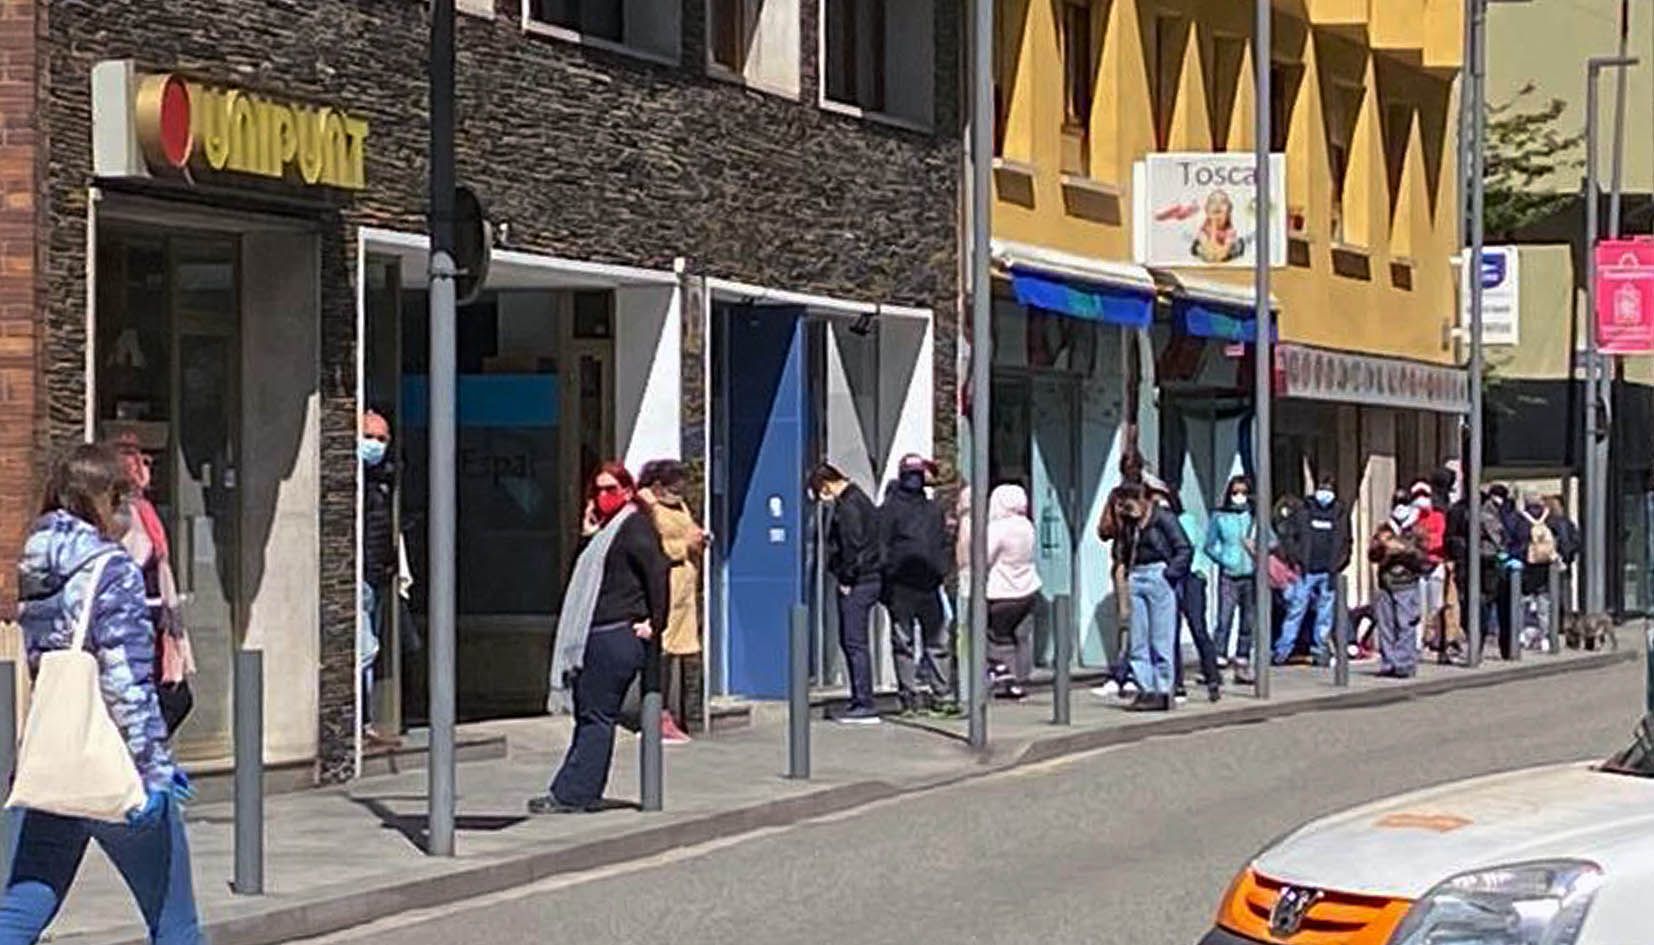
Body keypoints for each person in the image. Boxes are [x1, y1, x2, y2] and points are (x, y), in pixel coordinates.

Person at [1, 443, 200, 945]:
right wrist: (153, 769)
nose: (128, 513)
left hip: (61, 759)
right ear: (105, 499)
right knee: (175, 922)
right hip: (116, 764)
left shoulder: (37, 564)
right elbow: (126, 680)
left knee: (23, 905)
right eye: (123, 500)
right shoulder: (111, 570)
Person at [532, 462, 669, 814]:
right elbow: (586, 579)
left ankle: (574, 793)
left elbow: (658, 571)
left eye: (611, 489)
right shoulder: (607, 533)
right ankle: (576, 789)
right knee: (590, 715)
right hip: (598, 636)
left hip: (613, 637)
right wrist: (588, 535)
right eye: (597, 490)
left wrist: (656, 622)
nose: (602, 496)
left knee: (596, 716)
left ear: (627, 491)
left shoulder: (634, 527)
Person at [113, 436, 194, 735]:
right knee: (159, 701)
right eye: (141, 461)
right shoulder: (123, 513)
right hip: (137, 621)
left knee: (172, 698)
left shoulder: (141, 509)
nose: (148, 468)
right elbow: (135, 558)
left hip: (155, 620)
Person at [879, 454, 956, 716]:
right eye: (909, 473)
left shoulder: (932, 509)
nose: (914, 478)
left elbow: (945, 543)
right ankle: (908, 696)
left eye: (918, 473)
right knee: (905, 642)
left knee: (938, 642)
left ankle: (941, 694)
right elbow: (882, 547)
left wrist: (941, 570)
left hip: (929, 585)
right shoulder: (890, 509)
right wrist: (888, 578)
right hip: (902, 587)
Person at [1108, 481, 1191, 711]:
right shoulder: (1128, 522)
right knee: (1138, 637)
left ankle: (1164, 690)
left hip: (1158, 575)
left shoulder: (1163, 518)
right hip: (1136, 575)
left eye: (1132, 501)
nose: (1129, 507)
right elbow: (1120, 551)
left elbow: (1183, 548)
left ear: (1145, 499)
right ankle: (1146, 688)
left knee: (1161, 638)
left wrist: (1169, 573)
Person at [637, 460, 704, 745]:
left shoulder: (680, 507)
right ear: (657, 486)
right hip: (666, 583)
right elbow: (653, 547)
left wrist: (699, 539)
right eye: (674, 488)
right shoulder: (647, 507)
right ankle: (657, 716)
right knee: (661, 651)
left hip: (685, 587)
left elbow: (689, 530)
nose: (679, 494)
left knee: (682, 651)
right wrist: (683, 547)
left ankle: (682, 715)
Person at [812, 463, 882, 724]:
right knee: (855, 642)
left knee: (854, 642)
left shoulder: (849, 506)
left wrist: (847, 578)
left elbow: (852, 544)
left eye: (820, 491)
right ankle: (861, 699)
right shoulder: (861, 499)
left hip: (859, 581)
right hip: (869, 578)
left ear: (826, 485)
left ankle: (864, 702)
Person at [1152, 477, 1221, 704]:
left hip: (1191, 577)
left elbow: (1187, 548)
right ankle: (1176, 681)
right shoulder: (1153, 524)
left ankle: (1212, 677)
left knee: (1197, 626)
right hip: (1171, 577)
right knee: (1170, 630)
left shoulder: (1186, 521)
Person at [1274, 477, 1351, 666]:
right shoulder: (1304, 511)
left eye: (1329, 489)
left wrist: (1340, 563)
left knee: (1325, 615)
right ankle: (1282, 651)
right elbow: (1289, 536)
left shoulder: (1339, 513)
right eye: (1322, 488)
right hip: (1306, 571)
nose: (1325, 492)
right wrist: (1296, 558)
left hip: (1329, 572)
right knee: (1296, 611)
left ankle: (1320, 652)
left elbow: (1347, 541)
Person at [359, 411, 402, 749]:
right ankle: (361, 721)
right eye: (369, 436)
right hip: (358, 573)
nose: (375, 445)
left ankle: (366, 720)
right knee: (364, 649)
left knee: (370, 647)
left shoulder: (384, 479)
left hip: (376, 574)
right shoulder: (352, 480)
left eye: (381, 439)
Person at [985, 484, 1040, 700]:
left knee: (997, 637)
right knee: (1021, 636)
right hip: (1028, 587)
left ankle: (1004, 677)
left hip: (1002, 590)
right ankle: (1021, 678)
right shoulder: (1027, 526)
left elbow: (985, 557)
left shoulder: (999, 528)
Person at [1368, 490, 1430, 678]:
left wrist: (1403, 550)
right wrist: (1383, 548)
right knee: (1386, 625)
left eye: (1404, 502)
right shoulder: (1384, 529)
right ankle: (1389, 663)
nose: (1400, 507)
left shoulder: (1417, 530)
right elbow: (1372, 555)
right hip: (1386, 583)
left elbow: (1424, 558)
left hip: (1406, 583)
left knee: (1406, 624)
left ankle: (1404, 663)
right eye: (1397, 502)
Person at [1205, 475, 1256, 684]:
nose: (1239, 496)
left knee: (1248, 620)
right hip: (1229, 574)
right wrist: (1224, 559)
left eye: (1243, 492)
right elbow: (1209, 545)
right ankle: (1218, 657)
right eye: (1235, 492)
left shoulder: (1253, 516)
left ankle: (1242, 658)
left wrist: (1257, 546)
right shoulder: (1219, 517)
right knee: (1224, 618)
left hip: (1251, 574)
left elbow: (1271, 540)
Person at [1408, 480, 1450, 657]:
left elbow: (1439, 540)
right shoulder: (1410, 517)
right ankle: (1416, 642)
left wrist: (1423, 541)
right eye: (1417, 496)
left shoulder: (1438, 517)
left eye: (1424, 495)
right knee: (1417, 608)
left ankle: (1435, 640)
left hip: (1435, 565)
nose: (1421, 500)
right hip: (1417, 568)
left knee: (1436, 607)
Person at [1516, 492, 1558, 651]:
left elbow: (1515, 539)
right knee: (1543, 604)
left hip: (1526, 567)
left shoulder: (1521, 520)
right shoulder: (1550, 518)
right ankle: (1545, 637)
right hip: (1545, 567)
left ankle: (1520, 635)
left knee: (1521, 603)